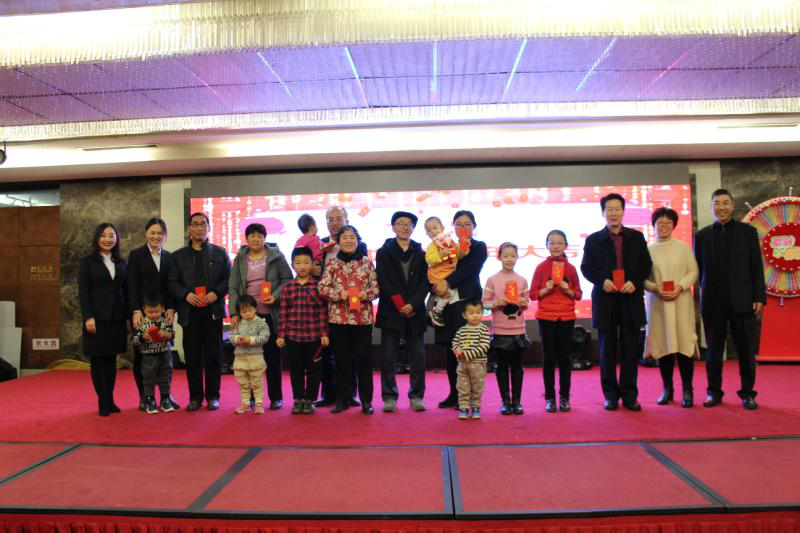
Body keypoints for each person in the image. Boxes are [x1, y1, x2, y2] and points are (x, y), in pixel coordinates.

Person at [695, 189, 766, 410]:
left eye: (725, 203)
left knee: (746, 350)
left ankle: (748, 393)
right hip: (713, 302)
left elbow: (756, 267)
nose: (721, 207)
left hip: (743, 300)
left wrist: (759, 297)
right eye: (717, 203)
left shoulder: (748, 232)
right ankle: (713, 392)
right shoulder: (702, 236)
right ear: (711, 207)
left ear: (733, 205)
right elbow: (699, 270)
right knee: (713, 351)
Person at [581, 193, 652, 411]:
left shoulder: (636, 237)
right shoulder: (593, 240)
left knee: (630, 349)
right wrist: (602, 281)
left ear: (623, 211)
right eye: (609, 209)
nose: (613, 213)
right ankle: (610, 395)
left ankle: (629, 395)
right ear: (603, 213)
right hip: (606, 300)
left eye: (617, 209)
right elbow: (586, 267)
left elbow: (645, 264)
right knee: (607, 350)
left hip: (630, 299)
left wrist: (634, 282)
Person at [168, 212, 231, 412]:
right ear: (189, 229)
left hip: (213, 311)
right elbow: (172, 281)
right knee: (192, 356)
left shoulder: (220, 253)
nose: (199, 228)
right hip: (190, 312)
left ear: (209, 228)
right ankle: (195, 397)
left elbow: (228, 279)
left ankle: (213, 396)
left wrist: (216, 293)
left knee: (214, 356)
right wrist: (185, 295)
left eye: (203, 224)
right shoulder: (178, 256)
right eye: (195, 224)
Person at [228, 222, 292, 410]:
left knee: (272, 357)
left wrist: (276, 296)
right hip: (247, 316)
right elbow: (233, 287)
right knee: (248, 357)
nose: (256, 239)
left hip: (270, 313)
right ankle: (251, 398)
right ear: (246, 238)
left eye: (259, 235)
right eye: (252, 235)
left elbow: (287, 279)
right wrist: (234, 312)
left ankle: (276, 398)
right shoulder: (240, 257)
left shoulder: (276, 256)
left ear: (265, 238)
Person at [318, 225, 379, 414]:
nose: (349, 240)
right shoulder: (332, 263)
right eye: (344, 237)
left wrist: (364, 294)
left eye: (352, 237)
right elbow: (322, 288)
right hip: (338, 319)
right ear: (338, 242)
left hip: (362, 320)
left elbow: (376, 289)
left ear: (358, 240)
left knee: (363, 360)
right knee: (341, 360)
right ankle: (342, 400)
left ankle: (366, 401)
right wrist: (340, 294)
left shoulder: (367, 262)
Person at [643, 208, 699, 408]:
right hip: (658, 303)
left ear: (674, 225)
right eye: (660, 222)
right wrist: (654, 288)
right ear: (653, 225)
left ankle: (687, 389)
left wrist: (680, 286)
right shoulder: (647, 249)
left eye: (668, 222)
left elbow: (693, 272)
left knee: (684, 346)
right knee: (663, 346)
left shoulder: (683, 247)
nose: (664, 225)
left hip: (680, 302)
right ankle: (667, 388)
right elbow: (641, 277)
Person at [375, 211, 430, 412]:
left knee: (418, 356)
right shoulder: (383, 252)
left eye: (409, 224)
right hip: (391, 310)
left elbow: (425, 283)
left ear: (413, 228)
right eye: (400, 223)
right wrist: (399, 303)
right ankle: (389, 396)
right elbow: (382, 280)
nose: (405, 227)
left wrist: (412, 304)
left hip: (414, 311)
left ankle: (416, 395)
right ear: (393, 227)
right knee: (388, 356)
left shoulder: (422, 253)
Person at [433, 210, 488, 409]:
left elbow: (469, 270)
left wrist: (446, 282)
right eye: (458, 224)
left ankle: (469, 397)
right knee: (451, 350)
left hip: (467, 305)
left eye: (467, 224)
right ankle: (454, 394)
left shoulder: (479, 247)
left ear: (474, 227)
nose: (463, 227)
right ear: (453, 227)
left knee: (468, 351)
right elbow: (435, 268)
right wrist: (436, 283)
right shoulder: (445, 246)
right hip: (447, 304)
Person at [127, 217, 178, 412]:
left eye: (160, 233)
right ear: (146, 233)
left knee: (165, 357)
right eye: (152, 232)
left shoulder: (170, 257)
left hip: (163, 314)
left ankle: (166, 395)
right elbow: (131, 285)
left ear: (165, 236)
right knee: (142, 356)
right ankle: (145, 396)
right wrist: (135, 310)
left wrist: (171, 308)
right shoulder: (136, 255)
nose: (156, 236)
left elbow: (172, 285)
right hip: (142, 314)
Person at [313, 206, 363, 407]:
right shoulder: (320, 245)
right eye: (330, 219)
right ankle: (328, 394)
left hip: (350, 307)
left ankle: (351, 393)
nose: (334, 222)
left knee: (349, 352)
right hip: (324, 305)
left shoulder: (357, 243)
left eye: (338, 218)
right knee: (326, 351)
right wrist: (315, 269)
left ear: (347, 220)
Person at [78, 222, 128, 417]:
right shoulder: (87, 262)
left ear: (116, 239)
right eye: (104, 235)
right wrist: (88, 316)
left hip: (116, 318)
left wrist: (127, 318)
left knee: (111, 360)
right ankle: (103, 400)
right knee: (98, 360)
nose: (108, 239)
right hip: (96, 319)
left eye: (111, 235)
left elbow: (125, 290)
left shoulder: (121, 262)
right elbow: (83, 292)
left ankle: (110, 398)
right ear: (97, 238)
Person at [531, 230, 582, 413]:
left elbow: (578, 294)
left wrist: (568, 290)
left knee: (565, 358)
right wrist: (545, 290)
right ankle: (550, 398)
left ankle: (565, 397)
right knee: (549, 358)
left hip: (566, 317)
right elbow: (532, 294)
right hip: (546, 317)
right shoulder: (541, 267)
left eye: (560, 243)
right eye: (552, 243)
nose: (556, 246)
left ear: (566, 246)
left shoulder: (571, 269)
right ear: (546, 246)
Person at [276, 247, 330, 415]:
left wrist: (324, 333)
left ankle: (310, 400)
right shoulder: (288, 288)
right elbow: (283, 313)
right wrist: (281, 335)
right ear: (292, 265)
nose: (302, 266)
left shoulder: (318, 287)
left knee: (314, 370)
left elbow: (323, 312)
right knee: (296, 369)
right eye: (298, 263)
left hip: (314, 336)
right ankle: (298, 399)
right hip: (293, 337)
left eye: (306, 262)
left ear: (312, 264)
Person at [482, 242, 530, 415]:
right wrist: (496, 303)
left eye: (513, 256)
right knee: (501, 367)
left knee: (517, 367)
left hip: (518, 330)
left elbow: (526, 304)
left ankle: (517, 401)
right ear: (499, 257)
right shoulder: (492, 279)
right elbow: (484, 304)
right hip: (500, 330)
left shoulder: (522, 280)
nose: (509, 259)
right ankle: (505, 401)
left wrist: (523, 303)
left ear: (517, 257)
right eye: (506, 256)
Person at [130, 292, 176, 414]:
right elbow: (134, 340)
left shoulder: (165, 322)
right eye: (150, 312)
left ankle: (165, 400)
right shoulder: (141, 324)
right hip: (148, 357)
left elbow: (172, 335)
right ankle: (150, 401)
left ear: (162, 309)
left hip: (164, 355)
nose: (154, 314)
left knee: (165, 378)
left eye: (157, 311)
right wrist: (143, 337)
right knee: (148, 379)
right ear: (144, 310)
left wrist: (165, 334)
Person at [424, 216, 469, 326]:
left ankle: (433, 309)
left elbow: (460, 255)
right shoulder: (432, 246)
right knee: (449, 293)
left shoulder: (450, 241)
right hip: (438, 276)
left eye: (434, 228)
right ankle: (436, 311)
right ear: (427, 234)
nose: (432, 231)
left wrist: (464, 246)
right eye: (429, 230)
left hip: (448, 275)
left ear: (442, 228)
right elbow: (429, 259)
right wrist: (441, 254)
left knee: (450, 295)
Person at [229, 295, 269, 414]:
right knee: (243, 383)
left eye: (250, 310)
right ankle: (245, 403)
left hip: (255, 358)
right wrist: (238, 339)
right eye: (244, 311)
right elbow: (231, 337)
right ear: (239, 312)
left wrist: (250, 340)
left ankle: (259, 404)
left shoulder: (261, 323)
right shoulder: (238, 323)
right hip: (240, 358)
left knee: (257, 383)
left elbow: (265, 337)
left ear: (255, 309)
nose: (247, 314)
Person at [452, 298, 491, 419]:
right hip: (462, 365)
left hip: (477, 365)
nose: (475, 315)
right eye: (471, 313)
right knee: (462, 387)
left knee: (477, 387)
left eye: (478, 312)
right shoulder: (461, 330)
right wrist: (458, 352)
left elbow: (484, 346)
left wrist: (468, 354)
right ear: (464, 315)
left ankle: (475, 408)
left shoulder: (483, 329)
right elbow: (455, 343)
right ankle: (463, 408)